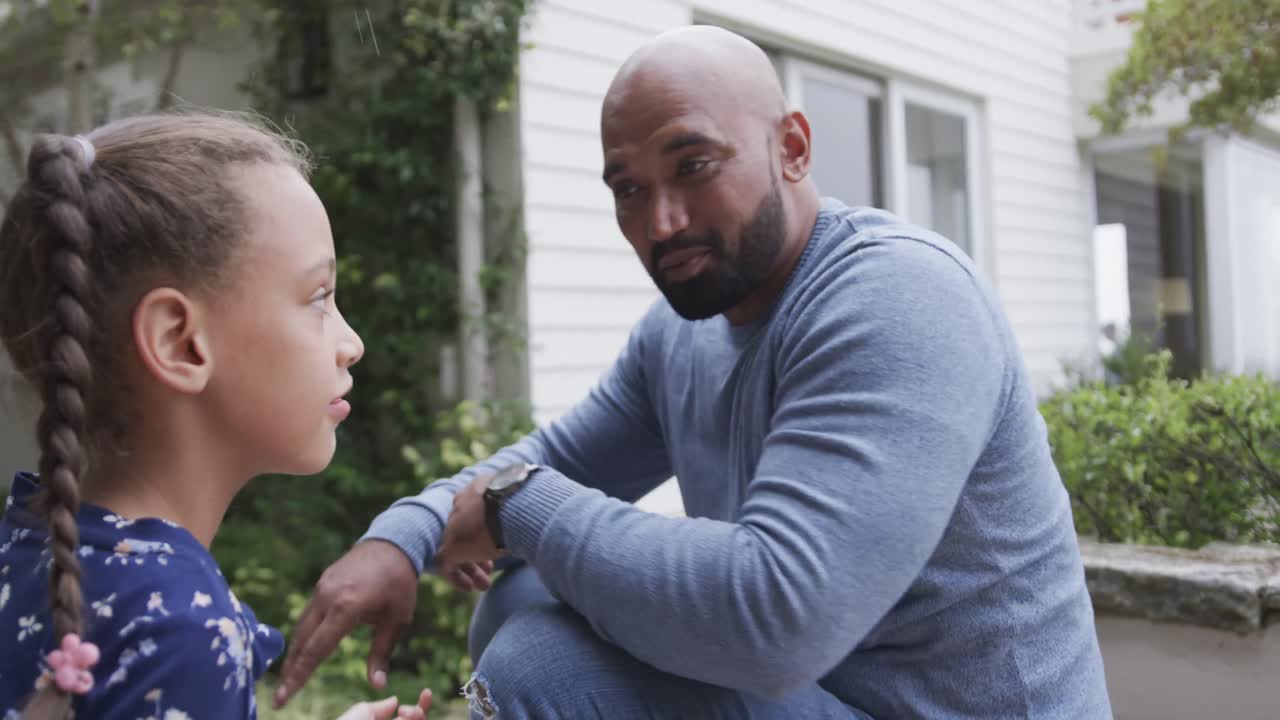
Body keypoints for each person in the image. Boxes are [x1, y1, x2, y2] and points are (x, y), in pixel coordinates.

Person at [276, 26, 1114, 719]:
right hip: (820, 695)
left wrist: (519, 506)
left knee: (544, 663)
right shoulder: (686, 335)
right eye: (628, 189)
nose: (661, 222)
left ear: (791, 146)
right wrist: (401, 536)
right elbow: (558, 457)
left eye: (694, 166)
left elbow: (777, 615)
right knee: (518, 601)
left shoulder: (900, 298)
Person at [0, 113, 432, 720]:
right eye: (319, 299)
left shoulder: (25, 552)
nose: (352, 342)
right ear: (181, 343)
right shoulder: (183, 632)